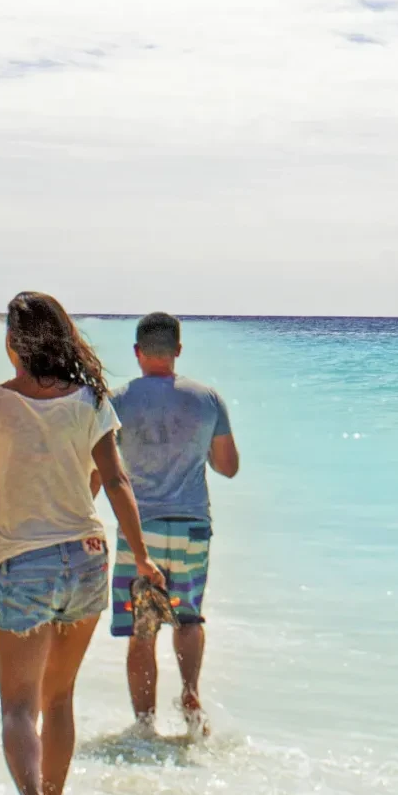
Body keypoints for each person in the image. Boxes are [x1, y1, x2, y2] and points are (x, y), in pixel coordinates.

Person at [0, 292, 161, 795]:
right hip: (87, 559)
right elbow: (116, 483)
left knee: (18, 706)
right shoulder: (90, 402)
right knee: (59, 697)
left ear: (12, 344)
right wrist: (142, 558)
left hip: (22, 565)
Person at [108, 312, 238, 738]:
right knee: (189, 618)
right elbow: (228, 466)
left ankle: (145, 726)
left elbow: (102, 470)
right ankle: (190, 692)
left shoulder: (118, 401)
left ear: (137, 352)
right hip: (192, 525)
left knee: (143, 628)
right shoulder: (208, 399)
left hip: (140, 529)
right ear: (178, 350)